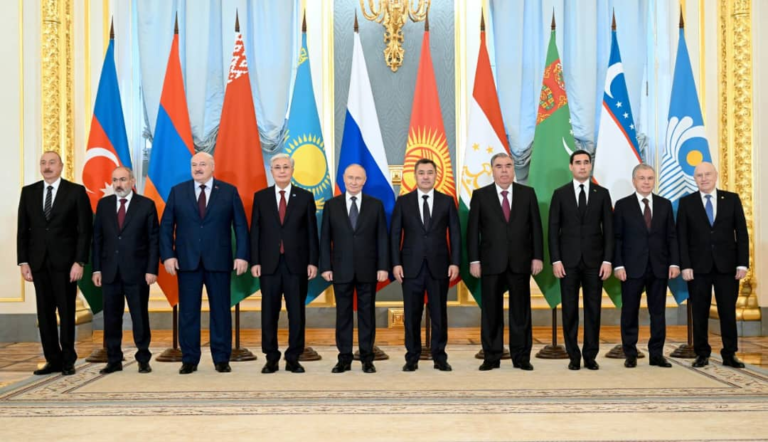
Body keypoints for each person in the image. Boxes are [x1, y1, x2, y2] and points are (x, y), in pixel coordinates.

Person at [160, 152, 249, 375]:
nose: (198, 168)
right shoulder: (178, 191)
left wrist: (242, 255)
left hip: (219, 261)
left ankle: (221, 358)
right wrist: (168, 255)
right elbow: (166, 226)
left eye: (202, 164)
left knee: (220, 311)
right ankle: (189, 359)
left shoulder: (228, 191)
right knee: (188, 313)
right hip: (186, 261)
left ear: (212, 167)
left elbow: (240, 226)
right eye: (194, 165)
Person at [17, 151, 92, 376]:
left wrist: (79, 262)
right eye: (43, 163)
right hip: (38, 263)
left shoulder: (76, 191)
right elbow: (23, 230)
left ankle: (68, 359)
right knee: (44, 313)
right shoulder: (29, 192)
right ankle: (52, 359)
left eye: (51, 162)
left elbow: (84, 231)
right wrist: (23, 261)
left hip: (66, 263)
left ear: (61, 166)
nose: (47, 167)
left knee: (67, 311)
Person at [467, 153, 543, 371]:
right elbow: (473, 231)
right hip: (491, 262)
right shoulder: (480, 195)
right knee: (491, 312)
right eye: (499, 166)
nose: (504, 170)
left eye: (508, 166)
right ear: (492, 170)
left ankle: (521, 357)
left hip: (520, 261)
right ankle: (492, 356)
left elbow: (536, 228)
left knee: (521, 313)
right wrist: (474, 260)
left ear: (513, 169)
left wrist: (537, 257)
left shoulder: (527, 194)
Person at [250, 153, 319, 374]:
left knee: (296, 313)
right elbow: (255, 232)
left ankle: (293, 358)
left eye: (285, 167)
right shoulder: (261, 197)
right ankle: (271, 358)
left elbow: (312, 232)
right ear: (271, 171)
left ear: (292, 170)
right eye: (277, 167)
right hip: (268, 265)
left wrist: (313, 262)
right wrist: (255, 261)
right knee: (269, 314)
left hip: (296, 265)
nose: (281, 171)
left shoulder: (305, 197)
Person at [677, 162, 749, 369]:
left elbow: (741, 233)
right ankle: (702, 353)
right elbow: (682, 237)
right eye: (699, 175)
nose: (704, 178)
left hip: (727, 267)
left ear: (715, 175)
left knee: (727, 311)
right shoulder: (686, 203)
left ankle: (729, 353)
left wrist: (742, 263)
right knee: (699, 312)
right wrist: (685, 265)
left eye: (707, 174)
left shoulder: (732, 199)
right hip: (697, 268)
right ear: (694, 179)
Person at [391, 158, 460, 372]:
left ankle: (440, 357)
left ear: (436, 175)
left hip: (440, 266)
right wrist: (395, 263)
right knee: (412, 316)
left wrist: (455, 262)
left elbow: (455, 235)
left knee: (439, 314)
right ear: (415, 175)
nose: (426, 177)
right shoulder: (403, 201)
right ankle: (412, 357)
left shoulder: (447, 201)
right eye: (421, 173)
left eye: (430, 172)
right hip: (410, 267)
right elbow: (395, 235)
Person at [320, 164, 389, 374]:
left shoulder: (375, 205)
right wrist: (326, 266)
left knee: (367, 315)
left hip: (368, 269)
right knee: (343, 315)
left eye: (358, 178)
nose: (353, 182)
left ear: (364, 181)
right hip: (341, 269)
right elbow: (325, 239)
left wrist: (383, 266)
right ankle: (344, 358)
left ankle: (367, 358)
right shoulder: (331, 205)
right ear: (344, 178)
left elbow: (382, 238)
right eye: (350, 178)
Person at [549, 150, 613, 370]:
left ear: (590, 166)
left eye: (586, 162)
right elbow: (553, 230)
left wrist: (608, 260)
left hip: (595, 263)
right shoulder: (560, 194)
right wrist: (556, 260)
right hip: (567, 263)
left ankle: (590, 355)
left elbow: (609, 230)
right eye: (578, 162)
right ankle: (573, 356)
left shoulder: (602, 193)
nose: (582, 166)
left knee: (593, 310)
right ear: (571, 166)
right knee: (569, 310)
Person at [92, 166, 159, 374]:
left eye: (122, 179)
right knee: (111, 318)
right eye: (115, 180)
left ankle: (143, 358)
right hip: (109, 271)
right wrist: (96, 269)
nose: (118, 184)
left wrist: (151, 269)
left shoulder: (146, 205)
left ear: (132, 181)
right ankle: (114, 359)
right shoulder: (104, 205)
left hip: (137, 272)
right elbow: (97, 240)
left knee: (140, 316)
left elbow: (153, 240)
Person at [613, 164, 679, 369]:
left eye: (650, 178)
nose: (646, 182)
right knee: (629, 311)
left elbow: (671, 236)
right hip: (631, 267)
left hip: (659, 267)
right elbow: (617, 238)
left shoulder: (665, 205)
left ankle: (656, 354)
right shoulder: (622, 205)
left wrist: (674, 262)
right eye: (642, 178)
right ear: (634, 181)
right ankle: (630, 354)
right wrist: (618, 265)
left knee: (658, 313)